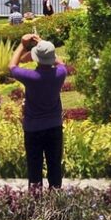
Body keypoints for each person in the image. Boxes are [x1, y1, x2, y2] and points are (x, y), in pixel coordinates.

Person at [8, 34, 72, 189]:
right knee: (54, 166)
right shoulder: (60, 74)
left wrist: (22, 44)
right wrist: (44, 44)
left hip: (33, 129)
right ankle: (55, 202)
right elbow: (61, 62)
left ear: (36, 59)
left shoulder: (31, 77)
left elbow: (12, 66)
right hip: (54, 127)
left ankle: (36, 203)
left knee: (34, 168)